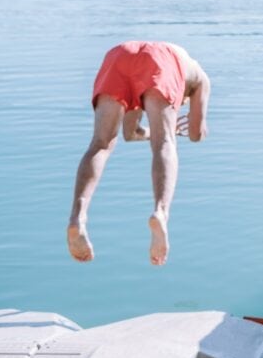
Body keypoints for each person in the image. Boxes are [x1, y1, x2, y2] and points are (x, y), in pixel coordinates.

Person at [67, 41, 211, 266]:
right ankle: (161, 213)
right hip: (162, 61)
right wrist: (192, 129)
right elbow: (195, 134)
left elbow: (130, 132)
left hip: (119, 55)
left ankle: (78, 216)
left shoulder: (166, 65)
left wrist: (153, 130)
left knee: (100, 144)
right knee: (164, 143)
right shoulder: (200, 77)